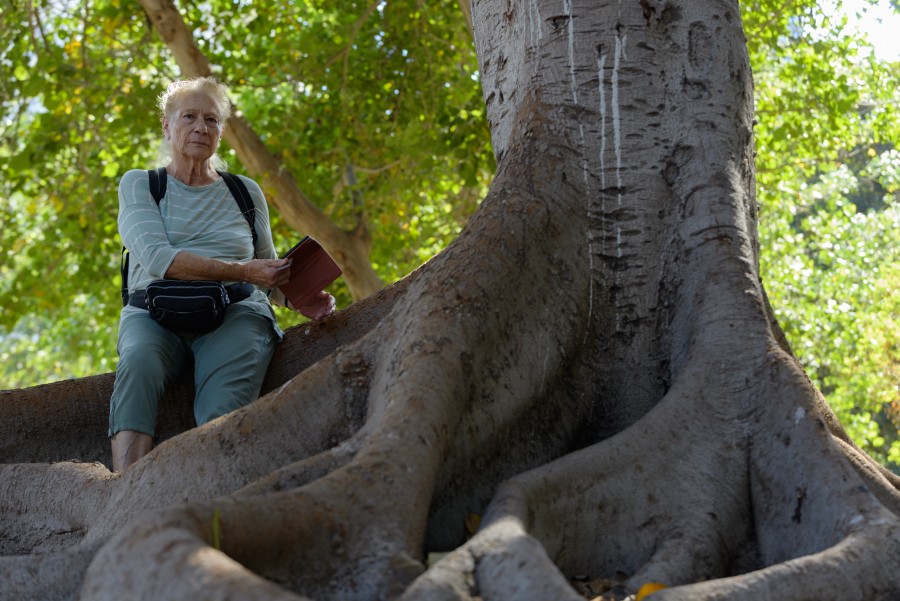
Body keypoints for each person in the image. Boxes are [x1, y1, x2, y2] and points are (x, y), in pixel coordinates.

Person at [109, 77, 335, 472]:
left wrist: (298, 298)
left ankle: (211, 494)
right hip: (154, 313)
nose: (201, 127)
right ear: (167, 125)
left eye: (211, 120)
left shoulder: (244, 191)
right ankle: (124, 492)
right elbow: (161, 259)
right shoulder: (140, 184)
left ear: (222, 131)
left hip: (236, 314)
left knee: (221, 410)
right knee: (138, 363)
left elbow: (268, 269)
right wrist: (244, 270)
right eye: (189, 117)